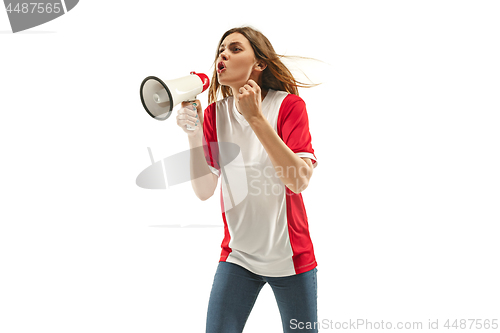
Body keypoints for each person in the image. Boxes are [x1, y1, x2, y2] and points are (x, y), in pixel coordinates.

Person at [176, 26, 319, 333]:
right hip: (238, 257)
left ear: (260, 64)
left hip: (291, 258)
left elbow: (298, 180)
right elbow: (204, 190)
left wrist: (255, 117)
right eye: (221, 50)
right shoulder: (214, 114)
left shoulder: (289, 107)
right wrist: (193, 135)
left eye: (235, 49)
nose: (223, 54)